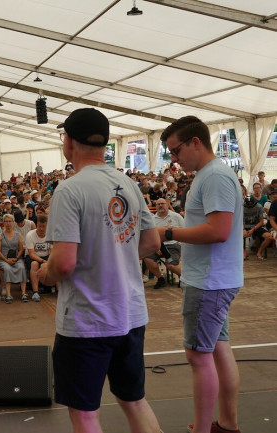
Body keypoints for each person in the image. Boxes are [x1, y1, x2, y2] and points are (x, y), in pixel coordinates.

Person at [38, 108, 162, 432]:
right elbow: (151, 243)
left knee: (85, 413)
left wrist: (44, 275)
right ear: (104, 143)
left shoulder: (69, 190)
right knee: (134, 401)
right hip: (131, 315)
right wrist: (116, 256)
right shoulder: (129, 184)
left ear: (69, 143)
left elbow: (63, 263)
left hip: (86, 322)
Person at [157, 115, 243, 433]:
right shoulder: (211, 175)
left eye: (175, 151)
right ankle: (227, 423)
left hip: (208, 281)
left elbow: (218, 230)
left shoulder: (214, 177)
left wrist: (169, 234)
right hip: (214, 278)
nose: (174, 160)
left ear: (195, 142)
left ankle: (205, 429)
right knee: (218, 349)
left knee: (198, 356)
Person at [142, 198, 184, 289]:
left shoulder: (176, 216)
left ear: (167, 205)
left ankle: (184, 278)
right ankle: (161, 279)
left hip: (173, 244)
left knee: (171, 265)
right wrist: (156, 248)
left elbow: (185, 229)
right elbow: (149, 236)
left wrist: (181, 242)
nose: (160, 205)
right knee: (147, 258)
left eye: (162, 203)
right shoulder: (152, 219)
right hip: (157, 245)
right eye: (158, 204)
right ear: (156, 206)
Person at [0, 213, 27, 303]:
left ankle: (24, 293)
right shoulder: (0, 236)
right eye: (6, 221)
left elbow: (21, 249)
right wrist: (6, 260)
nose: (8, 223)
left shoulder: (18, 235)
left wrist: (16, 258)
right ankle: (8, 295)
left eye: (10, 221)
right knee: (7, 268)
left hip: (16, 258)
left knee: (21, 267)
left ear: (13, 223)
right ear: (4, 223)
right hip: (4, 259)